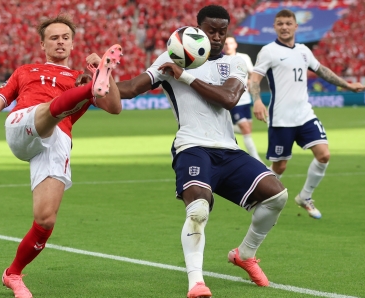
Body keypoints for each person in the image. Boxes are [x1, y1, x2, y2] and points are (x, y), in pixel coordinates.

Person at [117, 5, 287, 298]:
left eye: (223, 30)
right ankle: (196, 283)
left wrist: (184, 76)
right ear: (198, 30)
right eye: (211, 31)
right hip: (192, 146)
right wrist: (96, 83)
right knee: (197, 210)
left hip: (227, 149)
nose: (218, 36)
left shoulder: (233, 64)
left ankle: (245, 254)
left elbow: (229, 99)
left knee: (276, 195)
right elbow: (132, 87)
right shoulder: (171, 57)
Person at [0, 15, 123, 298]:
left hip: (57, 141)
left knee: (45, 220)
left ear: (72, 43)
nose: (60, 42)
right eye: (54, 37)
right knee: (51, 108)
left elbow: (115, 107)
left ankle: (13, 274)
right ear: (43, 44)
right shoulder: (24, 70)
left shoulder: (79, 74)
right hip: (23, 124)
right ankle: (88, 92)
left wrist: (103, 72)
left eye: (66, 37)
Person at [249, 9, 364, 219]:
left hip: (304, 115)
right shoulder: (269, 51)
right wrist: (257, 100)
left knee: (324, 155)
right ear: (274, 27)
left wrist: (347, 85)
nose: (284, 27)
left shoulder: (303, 51)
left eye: (288, 23)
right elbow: (255, 79)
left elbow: (323, 71)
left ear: (295, 26)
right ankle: (260, 193)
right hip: (281, 118)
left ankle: (305, 197)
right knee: (280, 166)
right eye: (280, 23)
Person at [223, 35, 262, 162]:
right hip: (233, 100)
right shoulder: (221, 60)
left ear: (235, 45)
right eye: (226, 43)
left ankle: (223, 127)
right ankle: (257, 160)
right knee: (245, 128)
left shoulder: (244, 57)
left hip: (246, 100)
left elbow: (252, 73)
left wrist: (251, 82)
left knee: (247, 130)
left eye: (230, 43)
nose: (228, 46)